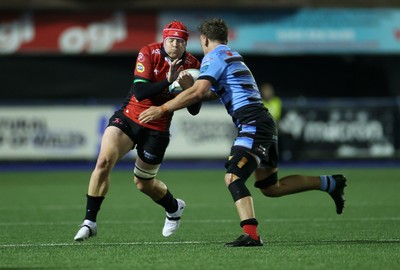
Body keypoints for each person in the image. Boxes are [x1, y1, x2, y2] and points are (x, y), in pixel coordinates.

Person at [139, 18, 347, 247]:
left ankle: (252, 235)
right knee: (270, 187)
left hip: (253, 123)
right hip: (262, 121)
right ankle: (330, 183)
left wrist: (162, 108)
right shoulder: (233, 56)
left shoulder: (214, 57)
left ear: (205, 39)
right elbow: (209, 93)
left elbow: (199, 93)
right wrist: (191, 88)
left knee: (233, 177)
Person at [74, 20, 202, 241]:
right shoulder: (148, 52)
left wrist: (191, 89)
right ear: (164, 39)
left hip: (157, 127)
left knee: (143, 183)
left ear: (185, 44)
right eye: (171, 40)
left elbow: (194, 109)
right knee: (103, 162)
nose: (174, 45)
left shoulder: (193, 64)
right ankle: (89, 222)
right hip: (129, 118)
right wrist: (168, 81)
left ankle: (174, 207)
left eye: (180, 41)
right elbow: (141, 91)